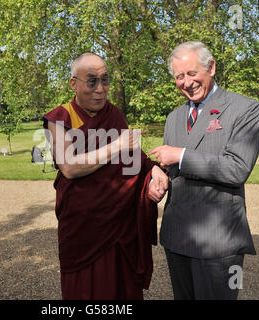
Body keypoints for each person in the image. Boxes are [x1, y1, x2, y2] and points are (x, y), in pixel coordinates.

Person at [43, 53, 168, 300]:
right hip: (82, 227)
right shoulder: (60, 118)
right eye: (91, 81)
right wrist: (117, 145)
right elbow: (69, 166)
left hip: (119, 225)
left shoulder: (114, 114)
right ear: (73, 84)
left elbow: (133, 158)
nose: (100, 89)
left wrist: (152, 168)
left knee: (121, 288)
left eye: (105, 80)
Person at [149, 41, 259, 300]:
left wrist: (181, 155)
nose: (186, 83)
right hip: (177, 235)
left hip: (220, 241)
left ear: (211, 67)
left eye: (191, 73)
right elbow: (171, 168)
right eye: (179, 76)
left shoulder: (245, 108)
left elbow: (237, 168)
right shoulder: (174, 117)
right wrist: (158, 177)